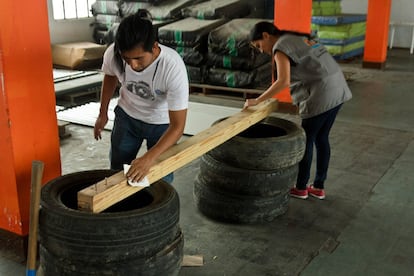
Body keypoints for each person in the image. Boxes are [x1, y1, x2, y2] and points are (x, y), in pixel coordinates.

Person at [245, 21, 352, 200]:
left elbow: (283, 81)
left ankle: (301, 187)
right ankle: (318, 187)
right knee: (322, 138)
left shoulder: (280, 47)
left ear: (265, 35)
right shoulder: (296, 38)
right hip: (338, 88)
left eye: (258, 45)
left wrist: (257, 100)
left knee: (306, 140)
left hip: (321, 94)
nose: (261, 50)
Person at [94, 10, 189, 184]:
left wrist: (149, 158)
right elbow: (110, 76)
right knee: (117, 171)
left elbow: (177, 127)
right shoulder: (113, 54)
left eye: (138, 58)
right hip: (127, 117)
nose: (133, 65)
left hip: (161, 125)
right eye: (126, 58)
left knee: (160, 176)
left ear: (154, 47)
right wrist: (102, 113)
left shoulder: (172, 67)